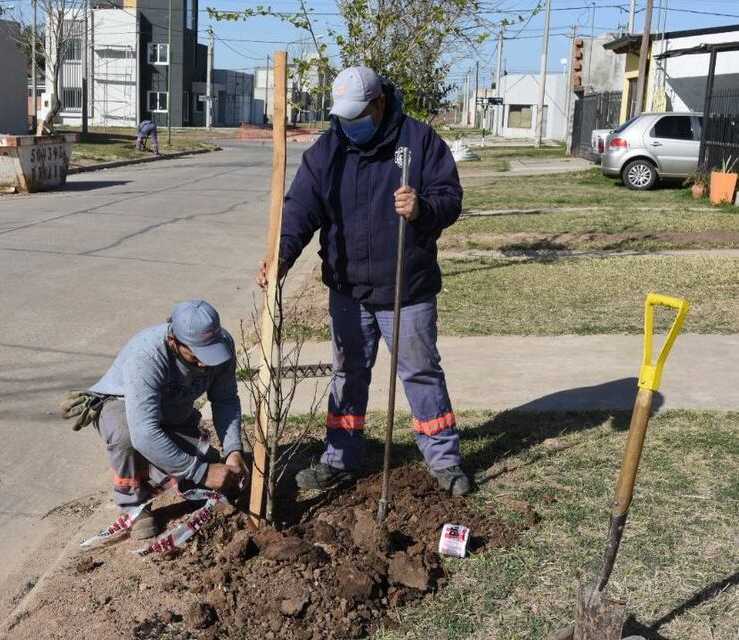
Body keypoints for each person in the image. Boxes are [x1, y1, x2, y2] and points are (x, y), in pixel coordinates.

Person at [256, 66, 471, 496]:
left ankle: (444, 461)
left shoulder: (419, 141)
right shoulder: (328, 149)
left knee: (421, 373)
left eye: (357, 115)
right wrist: (280, 256)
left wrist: (421, 208)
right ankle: (340, 458)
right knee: (347, 374)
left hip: (405, 289)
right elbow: (300, 209)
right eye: (343, 116)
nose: (348, 124)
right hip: (349, 290)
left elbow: (450, 199)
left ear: (379, 104)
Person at [67, 300, 247, 539]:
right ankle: (135, 504)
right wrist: (200, 471)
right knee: (127, 435)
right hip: (124, 407)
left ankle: (178, 473)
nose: (205, 363)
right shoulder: (147, 354)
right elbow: (144, 432)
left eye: (210, 354)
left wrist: (234, 449)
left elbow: (225, 400)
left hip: (174, 412)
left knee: (211, 471)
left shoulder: (223, 345)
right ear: (174, 341)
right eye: (196, 355)